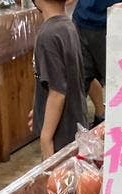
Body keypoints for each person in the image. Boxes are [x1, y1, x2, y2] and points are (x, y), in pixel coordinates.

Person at [28, 0, 89, 161]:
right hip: (74, 125)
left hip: (60, 136)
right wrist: (40, 109)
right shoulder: (67, 25)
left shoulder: (48, 35)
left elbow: (57, 92)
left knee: (61, 183)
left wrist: (46, 138)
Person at [72, 0, 122, 124]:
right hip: (81, 21)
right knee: (79, 80)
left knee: (118, 84)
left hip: (112, 23)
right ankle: (80, 129)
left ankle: (116, 129)